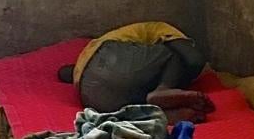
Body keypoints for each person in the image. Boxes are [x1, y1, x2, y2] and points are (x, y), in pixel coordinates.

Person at [58, 21, 215, 123]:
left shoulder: (88, 53)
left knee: (136, 90)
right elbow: (194, 60)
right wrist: (182, 79)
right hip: (112, 57)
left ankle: (159, 114)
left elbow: (64, 73)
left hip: (91, 97)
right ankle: (163, 90)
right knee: (173, 55)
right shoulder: (161, 29)